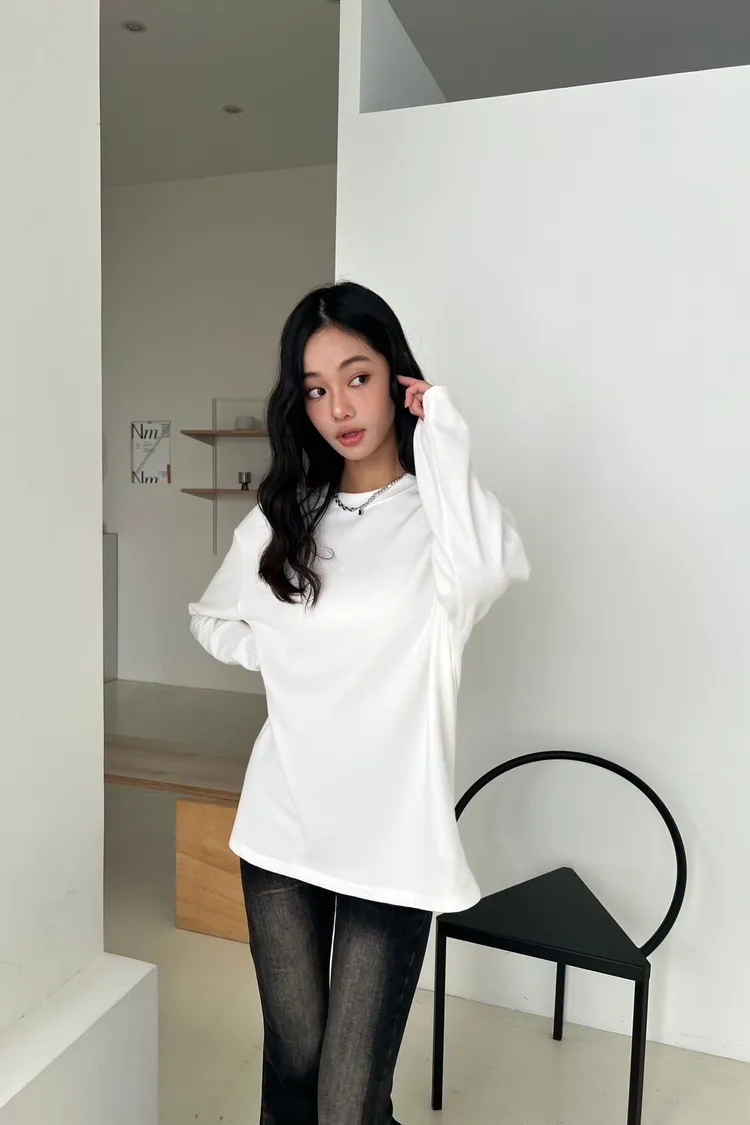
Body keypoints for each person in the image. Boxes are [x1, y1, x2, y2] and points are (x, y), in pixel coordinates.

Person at [188, 281, 529, 1125]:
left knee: (347, 1099)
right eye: (315, 388)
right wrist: (288, 656)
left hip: (390, 841)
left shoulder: (439, 521)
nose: (338, 407)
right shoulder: (286, 518)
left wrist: (441, 430)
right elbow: (212, 618)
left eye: (358, 377)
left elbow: (492, 567)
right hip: (283, 824)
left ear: (395, 376)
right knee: (296, 1061)